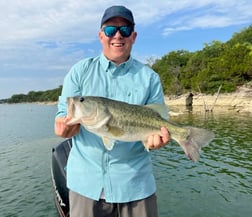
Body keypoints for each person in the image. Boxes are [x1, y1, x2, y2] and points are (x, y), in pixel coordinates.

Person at [54, 5, 170, 217]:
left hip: (136, 186)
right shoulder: (80, 72)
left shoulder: (150, 78)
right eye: (110, 30)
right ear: (101, 36)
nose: (117, 35)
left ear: (133, 36)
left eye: (124, 30)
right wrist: (64, 127)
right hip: (85, 186)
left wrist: (156, 143)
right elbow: (63, 115)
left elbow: (159, 123)